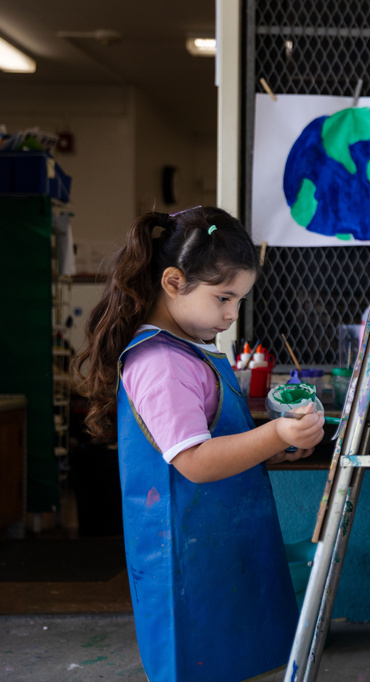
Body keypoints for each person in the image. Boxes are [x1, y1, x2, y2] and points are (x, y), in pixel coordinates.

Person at [72, 206, 324, 682]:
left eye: (240, 300)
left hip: (226, 553)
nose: (232, 315)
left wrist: (281, 446)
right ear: (173, 282)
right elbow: (192, 461)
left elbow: (223, 444)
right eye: (224, 297)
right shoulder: (160, 364)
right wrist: (273, 432)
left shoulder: (192, 351)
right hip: (189, 567)